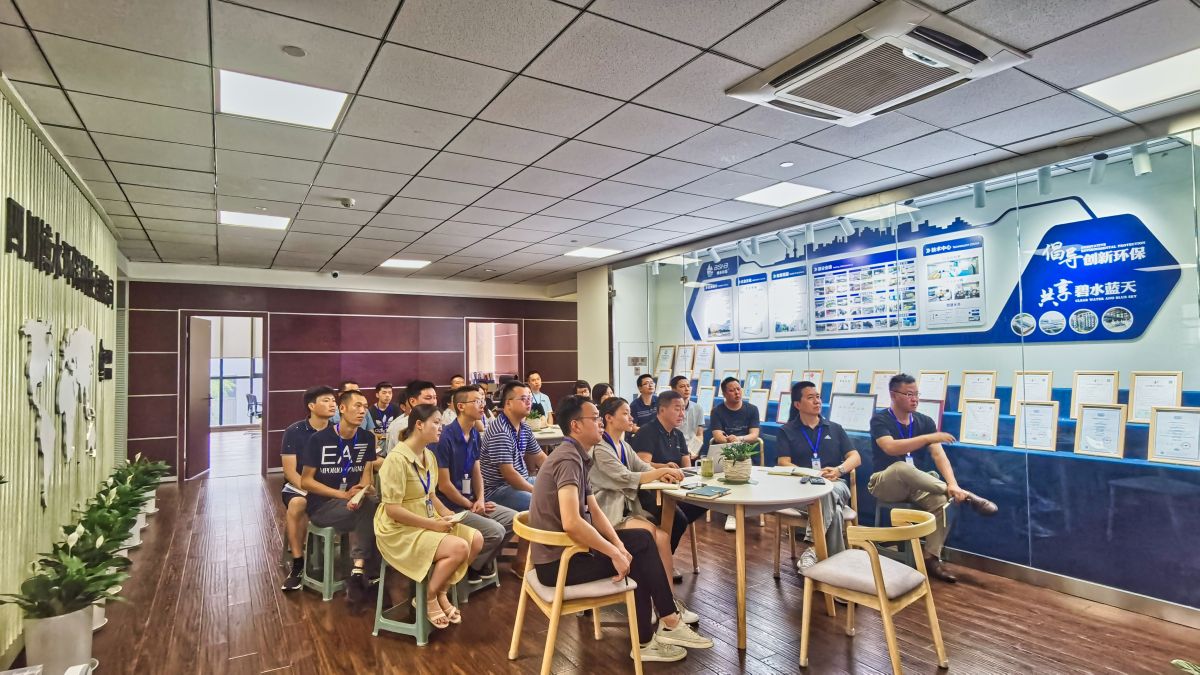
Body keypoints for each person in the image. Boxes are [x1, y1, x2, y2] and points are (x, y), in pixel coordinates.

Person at [529, 395, 712, 664]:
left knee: (641, 540)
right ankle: (660, 628)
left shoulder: (578, 455)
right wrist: (615, 553)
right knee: (641, 547)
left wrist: (618, 546)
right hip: (560, 563)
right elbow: (572, 522)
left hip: (570, 552)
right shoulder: (568, 460)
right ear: (575, 425)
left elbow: (595, 511)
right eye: (595, 418)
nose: (600, 423)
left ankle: (661, 626)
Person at [869, 373, 998, 583]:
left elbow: (939, 455)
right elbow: (890, 448)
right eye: (909, 394)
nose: (915, 399)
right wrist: (928, 438)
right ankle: (966, 495)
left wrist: (953, 483)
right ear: (893, 395)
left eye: (917, 394)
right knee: (901, 467)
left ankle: (931, 558)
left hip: (916, 485)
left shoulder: (924, 421)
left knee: (943, 501)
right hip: (885, 483)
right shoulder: (880, 419)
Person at [375, 404, 483, 629]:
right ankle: (428, 596)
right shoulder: (396, 459)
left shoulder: (429, 455)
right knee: (459, 548)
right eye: (436, 422)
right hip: (398, 528)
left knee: (476, 539)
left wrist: (447, 514)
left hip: (426, 520)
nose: (440, 427)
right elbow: (393, 510)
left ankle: (441, 590)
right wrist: (432, 524)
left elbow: (430, 495)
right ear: (419, 425)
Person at [593, 397, 698, 587]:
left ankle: (668, 597)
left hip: (626, 508)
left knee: (664, 537)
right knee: (651, 533)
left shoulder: (623, 446)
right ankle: (653, 592)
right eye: (625, 413)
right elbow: (625, 476)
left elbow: (642, 467)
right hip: (608, 511)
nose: (631, 418)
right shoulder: (601, 448)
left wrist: (663, 474)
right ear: (609, 418)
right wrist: (660, 472)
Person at [300, 388, 380, 607]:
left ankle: (359, 572)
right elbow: (306, 481)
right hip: (323, 506)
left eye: (365, 407)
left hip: (355, 503)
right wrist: (342, 495)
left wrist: (364, 489)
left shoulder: (367, 438)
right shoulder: (319, 439)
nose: (362, 411)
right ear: (342, 408)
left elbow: (366, 475)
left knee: (376, 507)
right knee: (370, 510)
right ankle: (368, 574)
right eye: (357, 406)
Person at [776, 381, 861, 572]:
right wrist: (813, 473)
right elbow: (783, 463)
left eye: (818, 397)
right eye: (810, 397)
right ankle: (837, 569)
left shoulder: (834, 428)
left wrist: (839, 470)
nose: (817, 401)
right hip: (802, 487)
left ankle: (813, 547)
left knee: (827, 492)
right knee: (835, 512)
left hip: (835, 484)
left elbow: (855, 457)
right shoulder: (786, 431)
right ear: (797, 404)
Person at [434, 385, 517, 581]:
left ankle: (476, 564)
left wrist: (480, 499)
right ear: (461, 406)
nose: (483, 405)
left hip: (471, 501)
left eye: (482, 401)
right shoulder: (444, 437)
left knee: (513, 519)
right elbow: (444, 485)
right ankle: (466, 568)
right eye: (477, 401)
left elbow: (476, 470)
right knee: (495, 531)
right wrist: (470, 505)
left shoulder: (474, 435)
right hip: (450, 507)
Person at [630, 391, 707, 562]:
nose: (682, 414)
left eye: (683, 409)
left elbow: (686, 467)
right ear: (662, 410)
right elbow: (641, 465)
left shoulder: (678, 435)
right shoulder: (647, 432)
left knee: (705, 502)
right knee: (678, 520)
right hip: (651, 492)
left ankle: (661, 555)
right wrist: (664, 468)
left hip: (677, 489)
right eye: (677, 409)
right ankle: (662, 563)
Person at [480, 380, 547, 573]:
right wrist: (535, 490)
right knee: (535, 502)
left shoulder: (523, 427)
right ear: (508, 403)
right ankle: (521, 560)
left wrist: (559, 475)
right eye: (523, 399)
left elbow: (541, 458)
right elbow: (509, 475)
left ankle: (550, 553)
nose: (529, 402)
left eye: (529, 398)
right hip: (496, 490)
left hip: (519, 482)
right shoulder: (500, 430)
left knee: (557, 491)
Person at [279, 385, 336, 591]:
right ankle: (298, 563)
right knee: (297, 504)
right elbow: (290, 471)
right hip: (299, 487)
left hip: (330, 487)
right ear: (311, 406)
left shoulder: (338, 430)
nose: (332, 404)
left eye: (333, 400)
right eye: (326, 401)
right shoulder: (294, 432)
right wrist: (309, 489)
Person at [709, 377, 761, 531]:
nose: (737, 393)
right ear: (725, 394)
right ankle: (732, 512)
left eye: (738, 389)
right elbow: (717, 435)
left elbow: (754, 435)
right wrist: (729, 441)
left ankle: (739, 509)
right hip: (726, 451)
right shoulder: (717, 411)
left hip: (746, 451)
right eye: (732, 390)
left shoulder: (752, 409)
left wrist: (739, 439)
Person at [386, 380, 438, 452]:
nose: (433, 402)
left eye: (435, 398)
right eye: (428, 398)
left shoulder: (437, 421)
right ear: (413, 401)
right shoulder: (401, 426)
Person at [671, 376, 704, 459]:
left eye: (688, 386)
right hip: (673, 450)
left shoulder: (698, 408)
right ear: (673, 390)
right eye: (682, 386)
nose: (686, 389)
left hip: (691, 449)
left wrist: (694, 451)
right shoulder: (669, 409)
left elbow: (699, 434)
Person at [370, 382, 399, 450]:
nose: (387, 395)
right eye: (384, 393)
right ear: (377, 395)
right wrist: (384, 436)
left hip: (393, 442)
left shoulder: (396, 409)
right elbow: (370, 433)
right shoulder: (370, 411)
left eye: (390, 393)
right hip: (377, 443)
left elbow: (399, 430)